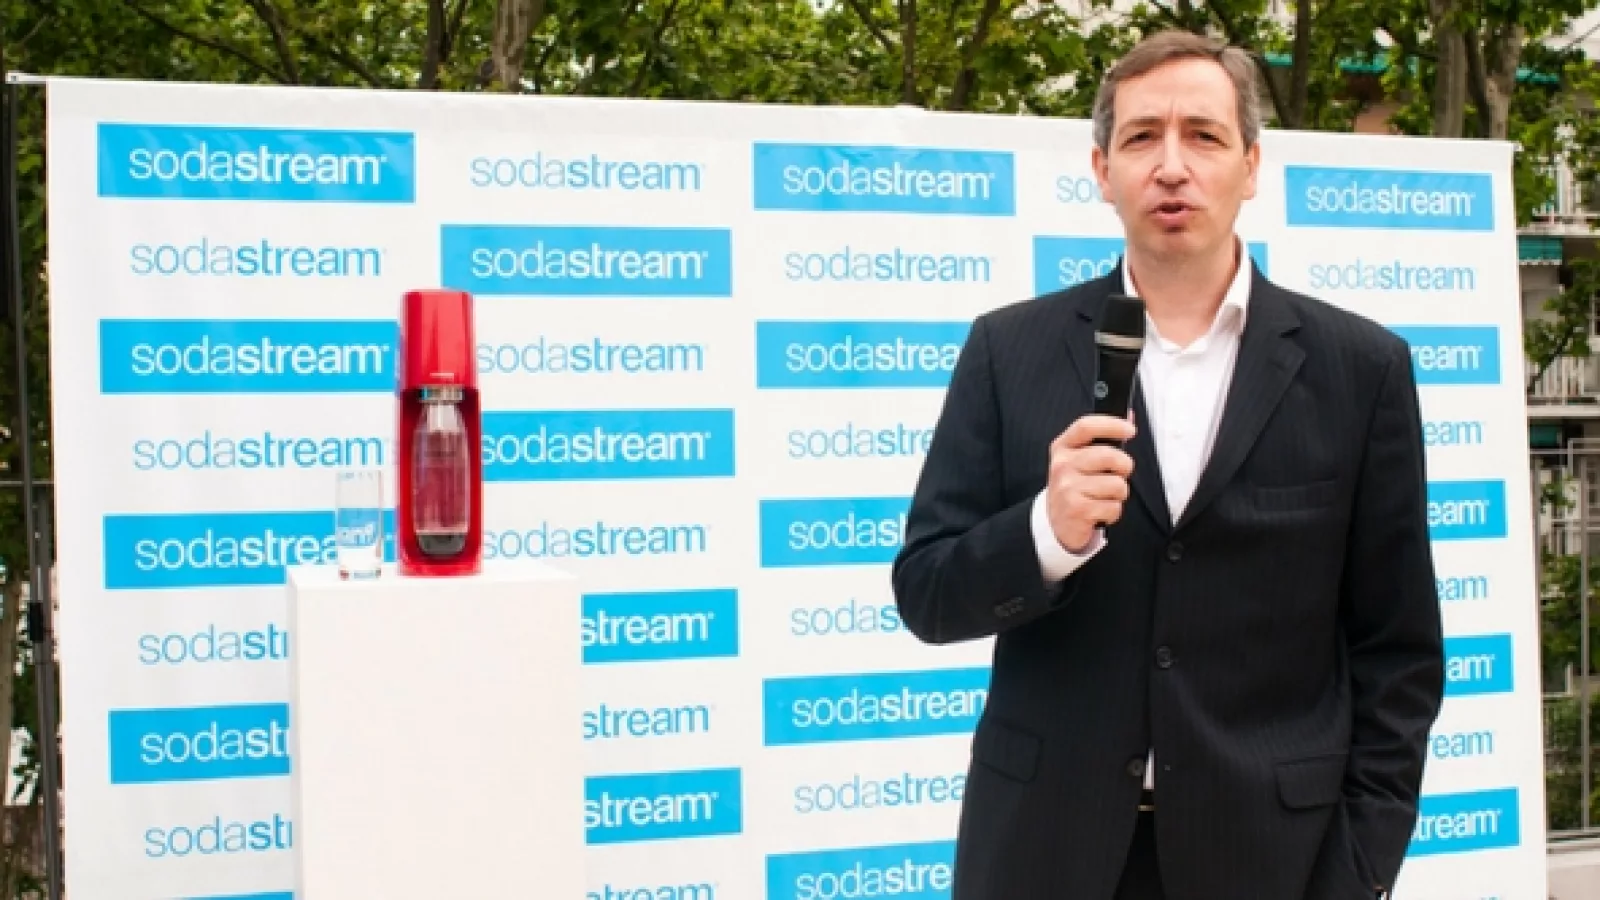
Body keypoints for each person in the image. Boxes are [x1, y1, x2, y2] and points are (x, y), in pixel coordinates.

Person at [890, 29, 1445, 900]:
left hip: (1274, 862)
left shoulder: (1360, 369)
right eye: (1143, 136)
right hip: (1043, 855)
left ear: (1251, 166)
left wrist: (1359, 868)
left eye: (1205, 136)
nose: (1172, 166)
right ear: (1103, 169)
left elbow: (1398, 652)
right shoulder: (1009, 350)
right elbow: (926, 593)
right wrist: (1045, 534)